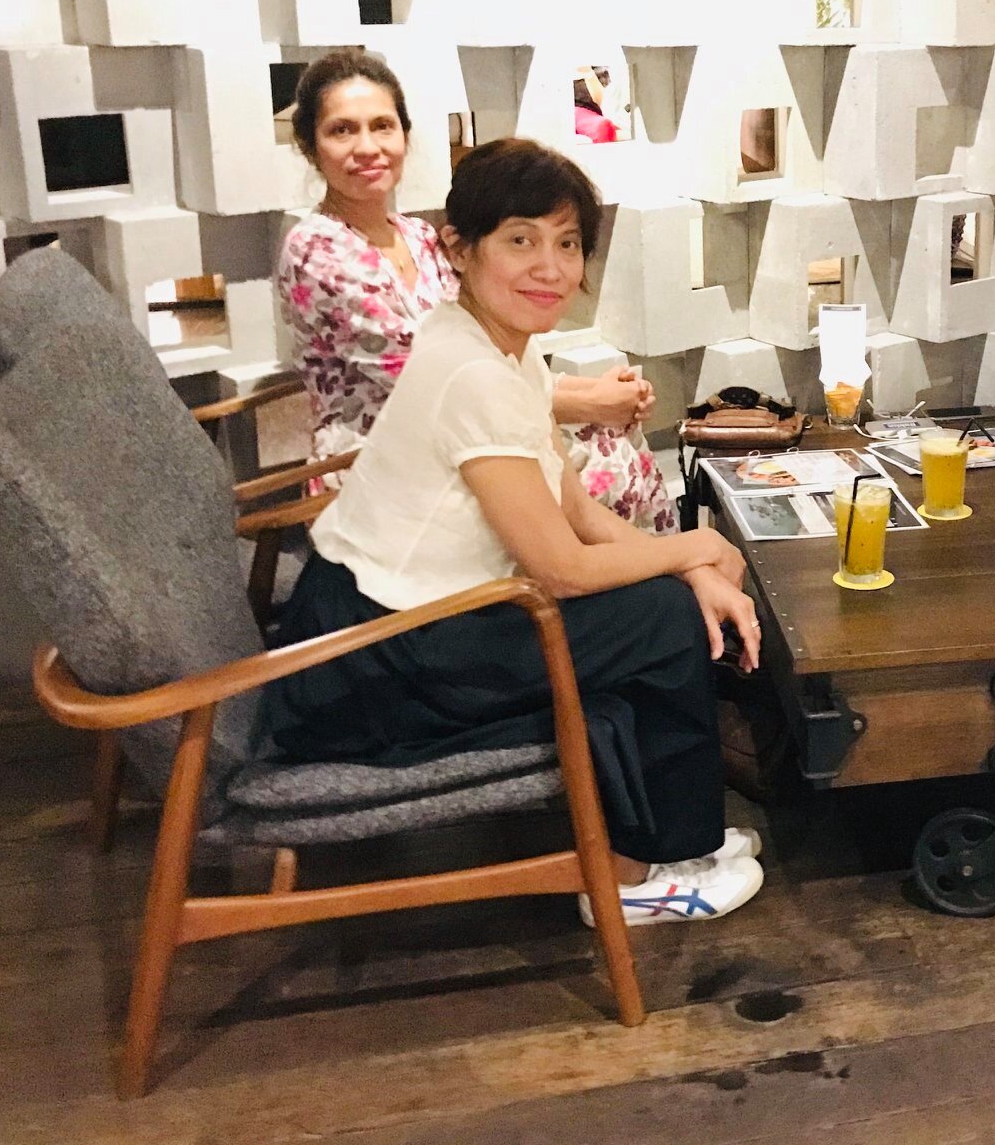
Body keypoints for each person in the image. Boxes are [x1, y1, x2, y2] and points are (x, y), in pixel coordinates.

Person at [267, 139, 766, 926]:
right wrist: (698, 549)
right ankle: (632, 878)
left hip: (390, 625)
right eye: (521, 240)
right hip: (370, 665)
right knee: (660, 622)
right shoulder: (474, 373)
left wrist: (686, 566)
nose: (550, 267)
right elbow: (562, 567)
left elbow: (577, 512)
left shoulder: (494, 348)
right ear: (460, 249)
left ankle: (669, 842)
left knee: (659, 604)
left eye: (568, 244)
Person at [275, 50, 674, 532]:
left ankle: (657, 572)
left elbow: (488, 353)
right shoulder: (317, 249)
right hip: (386, 462)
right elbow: (438, 383)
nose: (367, 147)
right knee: (609, 470)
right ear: (310, 146)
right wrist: (591, 402)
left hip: (465, 435)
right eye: (342, 130)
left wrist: (605, 393)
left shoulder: (419, 236)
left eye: (382, 126)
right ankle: (629, 572)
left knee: (618, 443)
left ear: (404, 136)